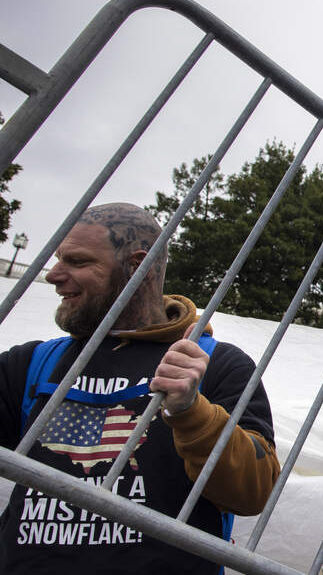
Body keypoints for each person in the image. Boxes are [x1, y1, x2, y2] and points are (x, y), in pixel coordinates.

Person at [0, 203, 280, 574]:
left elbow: (253, 493)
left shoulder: (216, 363)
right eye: (58, 259)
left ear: (138, 266)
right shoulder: (34, 363)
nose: (53, 275)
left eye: (78, 261)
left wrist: (191, 411)